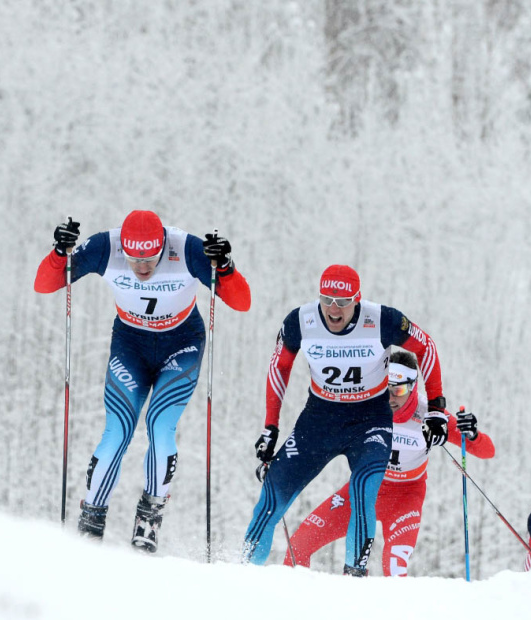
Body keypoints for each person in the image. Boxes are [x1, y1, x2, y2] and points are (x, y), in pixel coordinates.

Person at [34, 210, 251, 552]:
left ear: (163, 245)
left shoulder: (186, 247)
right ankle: (91, 518)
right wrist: (59, 254)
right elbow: (44, 284)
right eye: (135, 259)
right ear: (124, 247)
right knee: (117, 429)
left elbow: (242, 302)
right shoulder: (106, 246)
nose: (143, 268)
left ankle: (149, 518)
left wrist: (225, 267)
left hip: (182, 343)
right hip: (131, 345)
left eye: (150, 259)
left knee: (158, 424)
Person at [242, 264, 447, 575]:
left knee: (364, 489)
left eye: (342, 302)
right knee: (273, 492)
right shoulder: (301, 320)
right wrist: (270, 427)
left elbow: (427, 347)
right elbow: (279, 367)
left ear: (357, 300)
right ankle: (241, 573)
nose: (333, 310)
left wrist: (436, 409)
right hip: (319, 420)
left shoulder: (382, 320)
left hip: (370, 421)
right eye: (326, 300)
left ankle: (353, 579)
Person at [283, 350, 495, 575]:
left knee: (393, 570)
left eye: (399, 390)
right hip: (363, 490)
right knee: (298, 547)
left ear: (413, 387)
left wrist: (471, 434)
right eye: (386, 389)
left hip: (405, 498)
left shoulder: (430, 415)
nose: (390, 398)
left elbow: (486, 451)